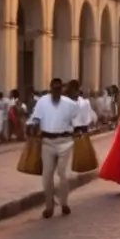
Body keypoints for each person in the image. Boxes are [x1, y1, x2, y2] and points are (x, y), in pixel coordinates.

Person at [27, 78, 80, 219]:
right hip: (47, 141)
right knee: (47, 174)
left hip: (65, 141)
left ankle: (64, 203)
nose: (56, 91)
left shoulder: (70, 104)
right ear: (50, 88)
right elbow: (36, 117)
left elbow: (78, 119)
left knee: (63, 173)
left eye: (58, 89)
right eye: (53, 89)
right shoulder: (42, 102)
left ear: (61, 89)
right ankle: (49, 206)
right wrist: (31, 125)